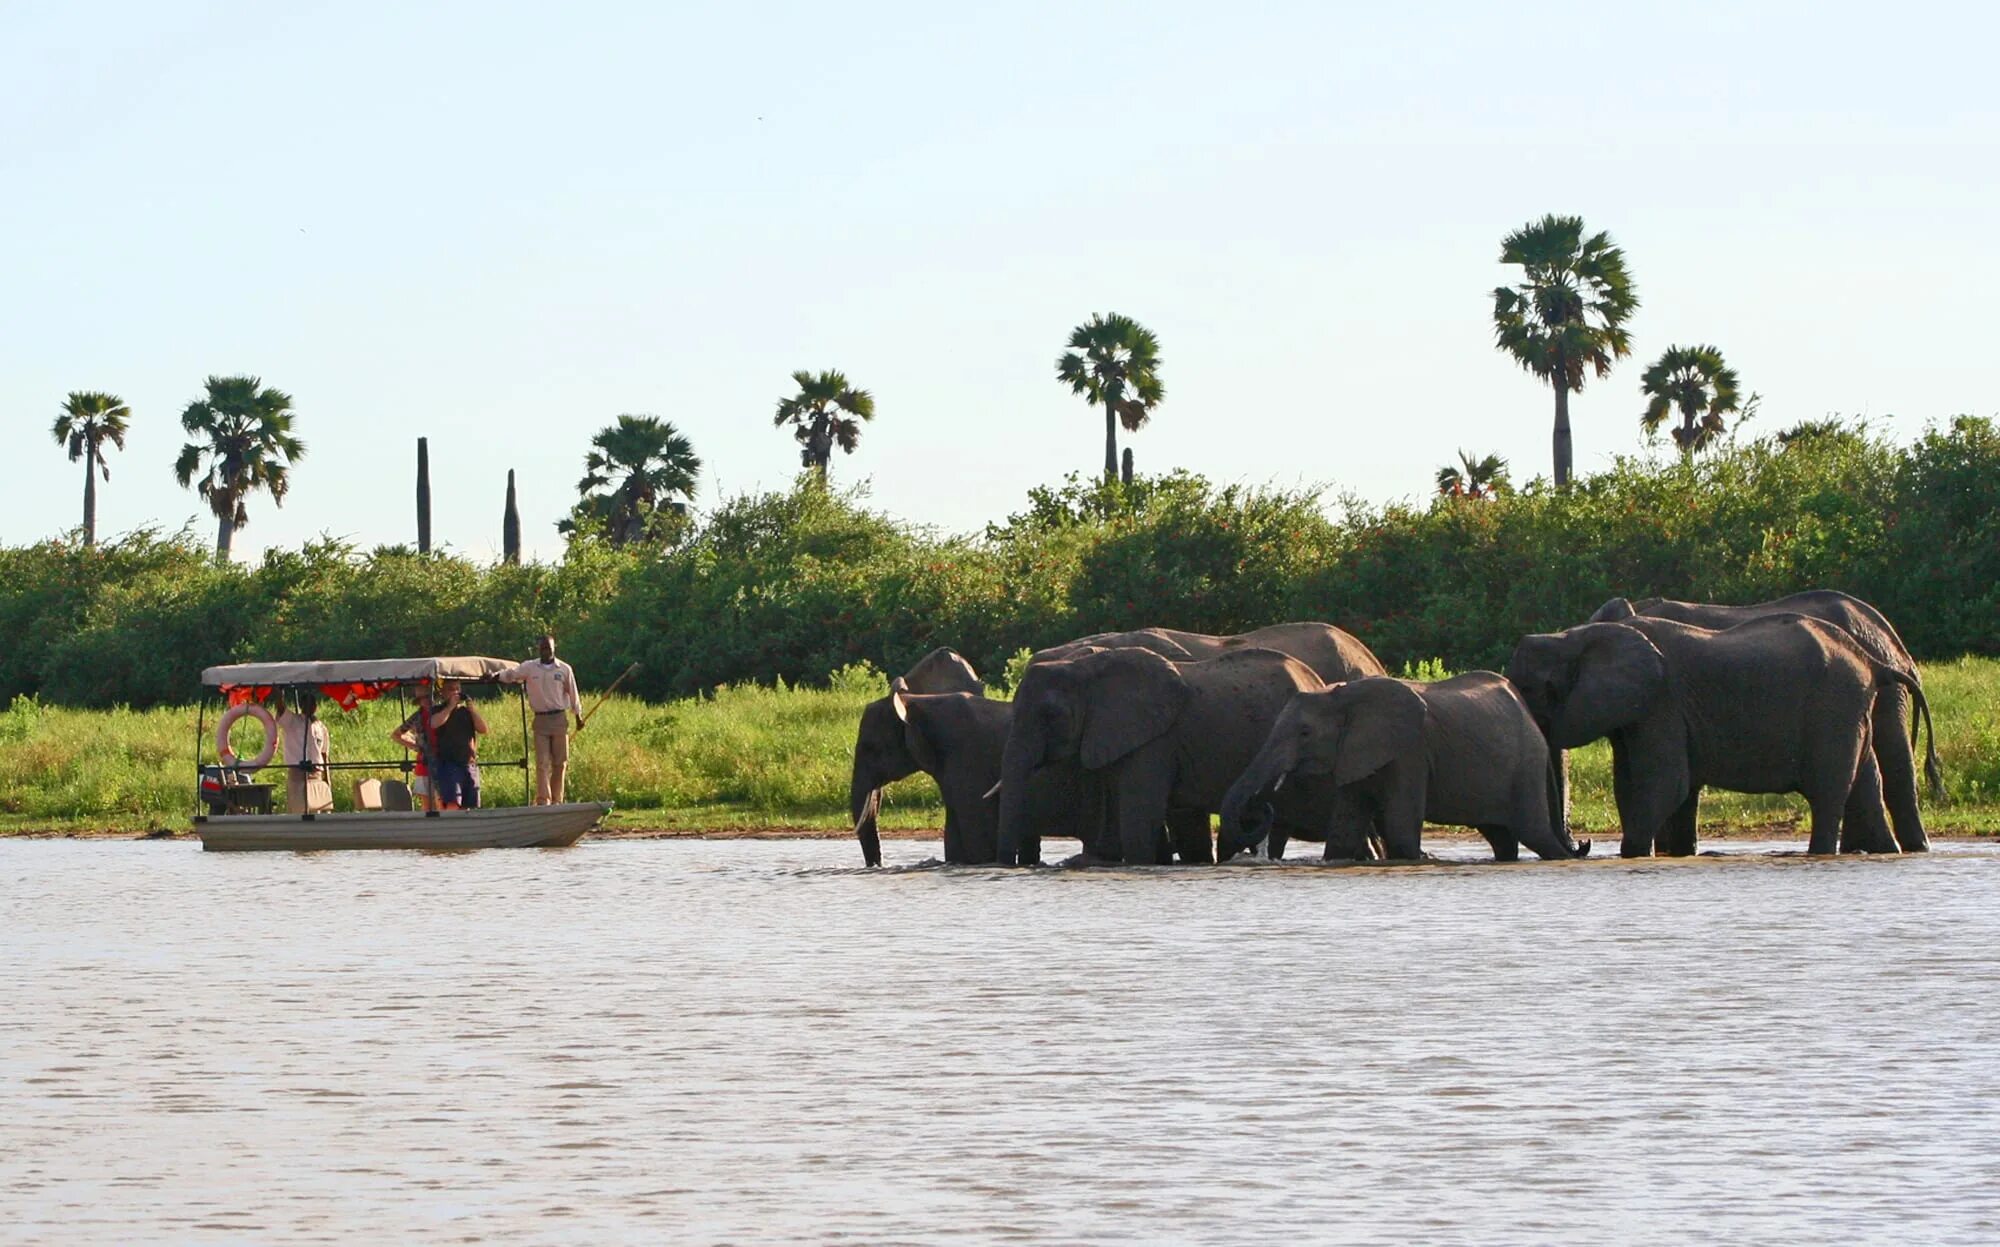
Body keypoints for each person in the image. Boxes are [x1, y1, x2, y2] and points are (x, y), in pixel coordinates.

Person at [496, 634, 584, 804]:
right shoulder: (530, 667)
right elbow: (511, 675)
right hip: (541, 720)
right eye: (543, 648)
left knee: (560, 762)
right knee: (542, 762)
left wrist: (578, 717)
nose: (546, 652)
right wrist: (495, 676)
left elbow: (574, 694)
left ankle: (557, 800)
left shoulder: (564, 669)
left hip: (559, 718)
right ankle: (544, 799)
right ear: (539, 649)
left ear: (554, 648)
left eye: (549, 648)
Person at [427, 680, 488, 810]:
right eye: (451, 689)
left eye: (457, 689)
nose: (455, 692)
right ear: (442, 692)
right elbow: (434, 724)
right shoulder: (438, 710)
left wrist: (472, 710)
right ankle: (451, 827)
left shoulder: (466, 712)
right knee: (452, 803)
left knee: (471, 805)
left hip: (468, 763)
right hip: (449, 764)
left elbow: (483, 729)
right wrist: (450, 707)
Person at [276, 689, 333, 813]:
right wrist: (280, 694)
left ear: (315, 707)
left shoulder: (321, 727)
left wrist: (327, 780)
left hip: (316, 772)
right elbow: (281, 709)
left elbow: (324, 755)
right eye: (306, 704)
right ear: (301, 706)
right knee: (298, 808)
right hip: (298, 772)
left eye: (312, 704)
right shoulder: (293, 721)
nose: (309, 707)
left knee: (316, 808)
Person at [390, 684, 439, 809]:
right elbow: (396, 734)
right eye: (422, 699)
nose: (426, 701)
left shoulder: (443, 712)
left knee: (442, 801)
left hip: (443, 762)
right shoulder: (417, 716)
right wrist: (415, 746)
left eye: (428, 697)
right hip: (425, 763)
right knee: (427, 804)